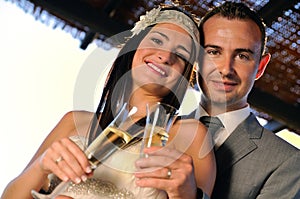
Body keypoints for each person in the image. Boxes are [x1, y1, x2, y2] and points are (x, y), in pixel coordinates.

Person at [1, 4, 216, 199]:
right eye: (157, 40)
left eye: (181, 54)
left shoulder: (193, 135)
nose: (165, 56)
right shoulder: (73, 120)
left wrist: (186, 194)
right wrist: (42, 166)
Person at [189, 2, 300, 199]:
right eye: (214, 52)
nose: (226, 69)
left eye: (242, 55)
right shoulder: (158, 129)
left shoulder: (289, 164)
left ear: (260, 67)